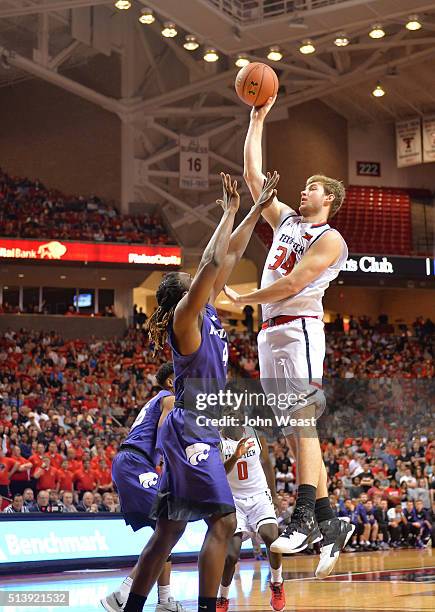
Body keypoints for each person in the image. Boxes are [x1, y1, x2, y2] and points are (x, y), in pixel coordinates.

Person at [122, 172, 279, 612]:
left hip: (196, 424)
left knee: (170, 531)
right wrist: (227, 211)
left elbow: (229, 253)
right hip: (193, 426)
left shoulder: (206, 309)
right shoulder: (185, 320)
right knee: (225, 521)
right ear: (183, 295)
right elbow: (211, 263)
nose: (201, 281)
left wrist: (252, 211)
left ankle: (131, 605)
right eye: (192, 282)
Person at [226, 95, 353, 579]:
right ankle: (329, 520)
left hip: (299, 327)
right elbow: (255, 181)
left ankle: (302, 515)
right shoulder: (287, 221)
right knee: (298, 430)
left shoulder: (331, 239)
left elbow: (297, 282)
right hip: (271, 333)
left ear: (330, 201)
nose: (304, 193)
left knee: (304, 424)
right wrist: (256, 119)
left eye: (313, 189)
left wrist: (245, 298)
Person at [101, 362, 186, 612]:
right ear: (171, 382)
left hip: (132, 462)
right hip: (135, 462)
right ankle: (126, 594)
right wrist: (165, 458)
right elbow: (162, 428)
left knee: (165, 530)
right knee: (170, 522)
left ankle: (162, 600)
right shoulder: (169, 398)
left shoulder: (156, 399)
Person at [218, 424, 285, 611]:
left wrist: (275, 495)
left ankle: (277, 583)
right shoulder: (218, 441)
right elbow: (218, 473)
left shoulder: (255, 432)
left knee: (272, 537)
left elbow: (266, 463)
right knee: (231, 555)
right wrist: (235, 456)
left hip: (259, 496)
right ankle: (223, 597)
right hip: (234, 500)